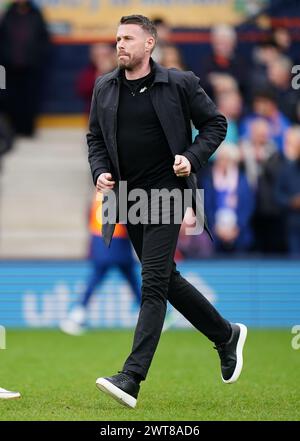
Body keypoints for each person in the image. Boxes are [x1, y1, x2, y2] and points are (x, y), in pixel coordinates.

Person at [87, 15, 247, 408]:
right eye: (117, 37)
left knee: (153, 285)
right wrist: (101, 171)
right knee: (167, 279)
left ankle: (132, 376)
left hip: (168, 195)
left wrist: (192, 158)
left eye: (128, 38)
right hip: (128, 199)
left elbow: (216, 123)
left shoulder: (181, 83)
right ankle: (226, 335)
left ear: (149, 45)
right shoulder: (104, 86)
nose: (119, 44)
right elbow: (95, 138)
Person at [60, 191, 141, 335]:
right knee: (130, 279)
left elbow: (90, 216)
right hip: (117, 240)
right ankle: (151, 313)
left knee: (98, 278)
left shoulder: (97, 192)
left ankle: (77, 313)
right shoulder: (120, 191)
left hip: (100, 240)